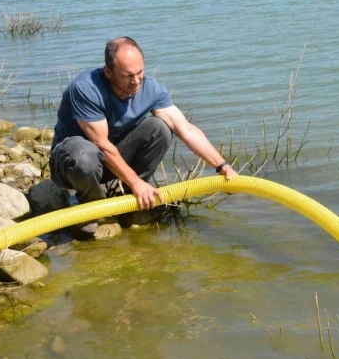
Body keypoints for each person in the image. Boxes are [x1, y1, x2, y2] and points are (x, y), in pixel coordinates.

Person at [50, 36, 237, 237]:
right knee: (86, 155)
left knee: (160, 128)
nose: (136, 81)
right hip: (70, 164)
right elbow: (101, 144)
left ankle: (130, 199)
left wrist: (222, 166)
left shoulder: (151, 89)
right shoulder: (86, 89)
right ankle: (92, 208)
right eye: (127, 75)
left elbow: (185, 129)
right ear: (108, 72)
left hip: (108, 162)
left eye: (140, 72)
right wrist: (137, 182)